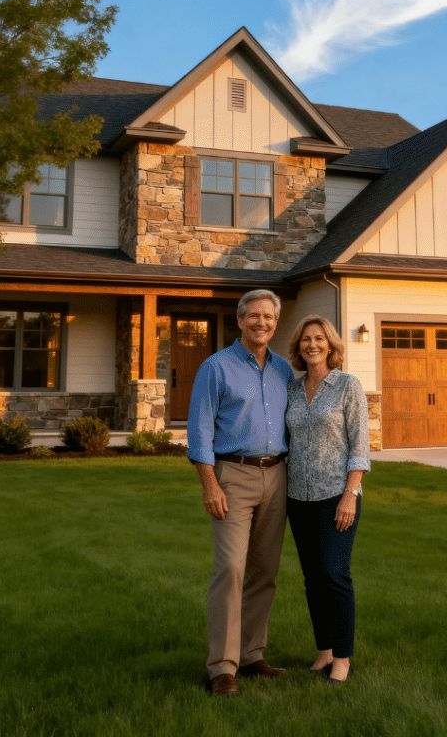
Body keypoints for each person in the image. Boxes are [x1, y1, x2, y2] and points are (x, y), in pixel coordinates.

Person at [187, 289, 294, 696]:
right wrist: (210, 484)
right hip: (233, 475)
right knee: (231, 568)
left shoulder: (283, 370)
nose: (261, 322)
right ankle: (222, 667)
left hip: (277, 476)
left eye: (268, 316)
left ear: (275, 323)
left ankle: (251, 654)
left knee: (264, 571)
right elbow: (200, 429)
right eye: (254, 316)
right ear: (240, 320)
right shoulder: (216, 367)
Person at [285, 315, 370, 685]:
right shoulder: (293, 388)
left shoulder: (348, 386)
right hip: (297, 497)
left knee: (335, 575)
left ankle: (343, 657)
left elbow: (360, 446)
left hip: (336, 495)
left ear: (332, 345)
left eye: (320, 339)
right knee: (313, 579)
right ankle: (324, 650)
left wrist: (350, 494)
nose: (313, 345)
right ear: (298, 347)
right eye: (306, 339)